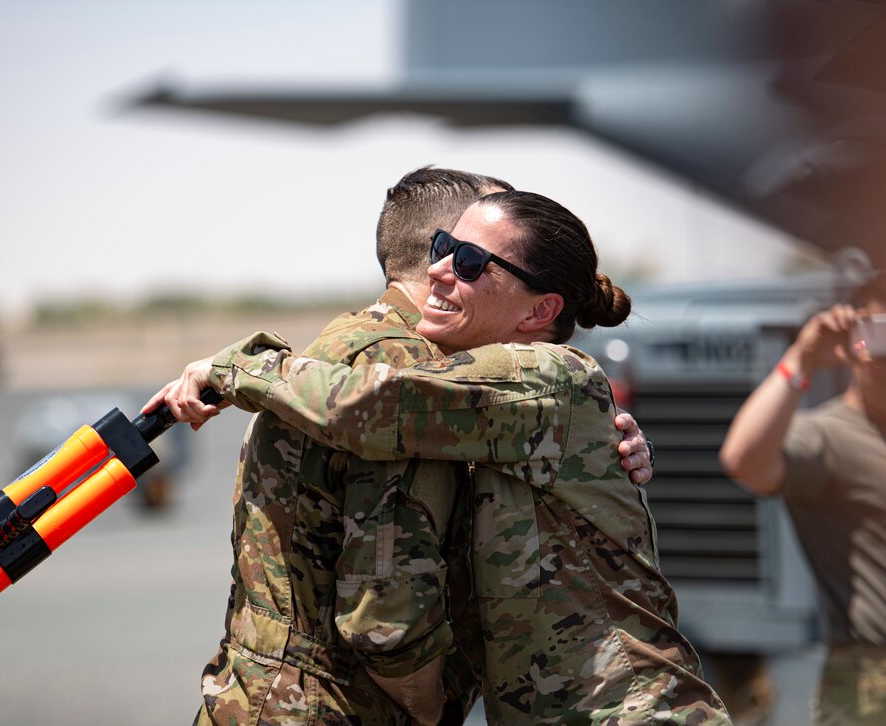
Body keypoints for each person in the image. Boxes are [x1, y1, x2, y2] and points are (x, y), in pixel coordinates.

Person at [152, 190, 727, 724]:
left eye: (470, 261)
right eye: (443, 247)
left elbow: (376, 407)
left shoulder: (545, 375)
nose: (438, 269)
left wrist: (232, 369)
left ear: (538, 311)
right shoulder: (508, 403)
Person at [719, 279, 886, 725]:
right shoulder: (828, 438)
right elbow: (744, 460)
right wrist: (801, 359)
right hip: (871, 684)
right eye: (880, 329)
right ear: (854, 341)